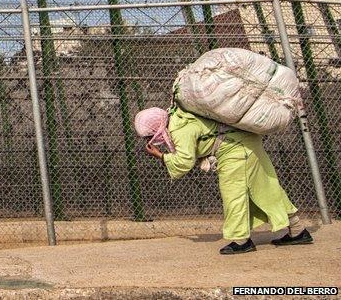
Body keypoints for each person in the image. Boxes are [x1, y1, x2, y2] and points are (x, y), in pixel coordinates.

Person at [134, 106, 313, 255]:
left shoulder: (179, 128)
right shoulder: (178, 116)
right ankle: (297, 230)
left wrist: (160, 156)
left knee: (233, 194)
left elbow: (184, 161)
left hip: (235, 150)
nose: (151, 140)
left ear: (156, 126)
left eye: (150, 135)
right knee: (266, 189)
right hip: (244, 142)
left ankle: (242, 241)